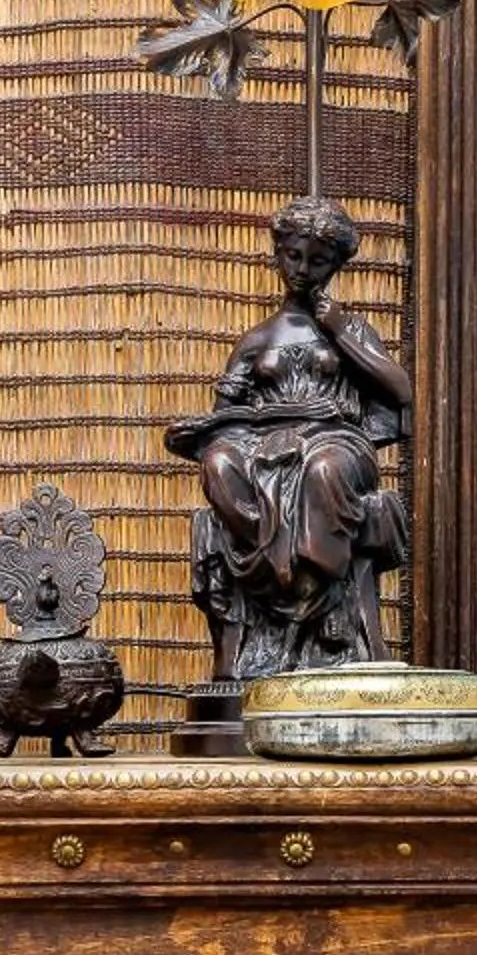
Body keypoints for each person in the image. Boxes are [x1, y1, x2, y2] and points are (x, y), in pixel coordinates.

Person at [165, 194, 411, 679]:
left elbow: (400, 391)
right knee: (217, 464)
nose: (302, 269)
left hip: (336, 440)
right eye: (293, 256)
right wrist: (220, 427)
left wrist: (339, 330)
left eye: (317, 261)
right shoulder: (257, 339)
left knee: (323, 472)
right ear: (278, 254)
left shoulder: (351, 328)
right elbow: (226, 414)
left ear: (336, 264)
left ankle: (316, 587)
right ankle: (269, 564)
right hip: (260, 444)